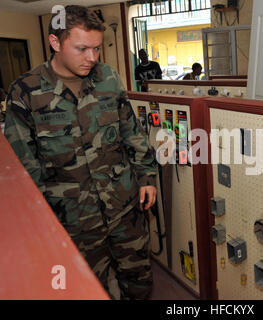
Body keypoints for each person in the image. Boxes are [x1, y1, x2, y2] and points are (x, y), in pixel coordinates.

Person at [4, 5, 157, 300]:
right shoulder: (26, 92)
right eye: (82, 48)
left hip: (124, 209)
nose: (92, 58)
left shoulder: (108, 79)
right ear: (55, 43)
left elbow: (131, 132)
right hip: (73, 223)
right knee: (84, 290)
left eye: (97, 49)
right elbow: (25, 169)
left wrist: (147, 176)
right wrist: (41, 228)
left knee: (139, 282)